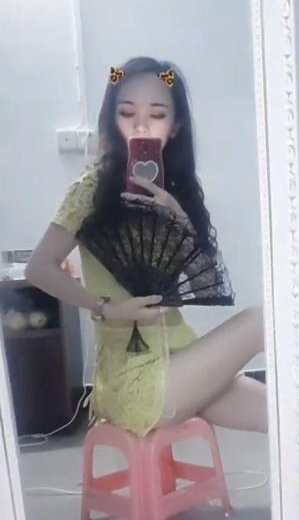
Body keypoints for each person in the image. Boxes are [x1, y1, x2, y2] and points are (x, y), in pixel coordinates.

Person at [26, 56, 267, 438]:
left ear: (175, 126)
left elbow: (204, 286)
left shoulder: (177, 191)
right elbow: (38, 268)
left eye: (157, 115)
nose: (141, 125)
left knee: (288, 414)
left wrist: (180, 221)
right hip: (133, 379)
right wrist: (107, 308)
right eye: (127, 113)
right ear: (111, 120)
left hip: (184, 358)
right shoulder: (91, 190)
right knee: (263, 321)